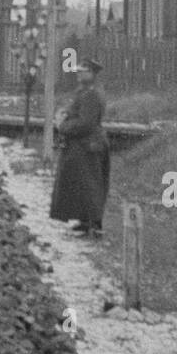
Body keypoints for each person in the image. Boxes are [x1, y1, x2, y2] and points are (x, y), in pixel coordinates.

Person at [49, 58, 110, 237]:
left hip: (89, 146)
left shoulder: (92, 94)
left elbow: (86, 123)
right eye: (78, 70)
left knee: (90, 185)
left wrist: (62, 126)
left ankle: (94, 224)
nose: (78, 73)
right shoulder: (84, 91)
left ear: (92, 73)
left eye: (83, 71)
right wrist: (65, 114)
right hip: (83, 145)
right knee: (81, 185)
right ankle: (85, 221)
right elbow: (78, 113)